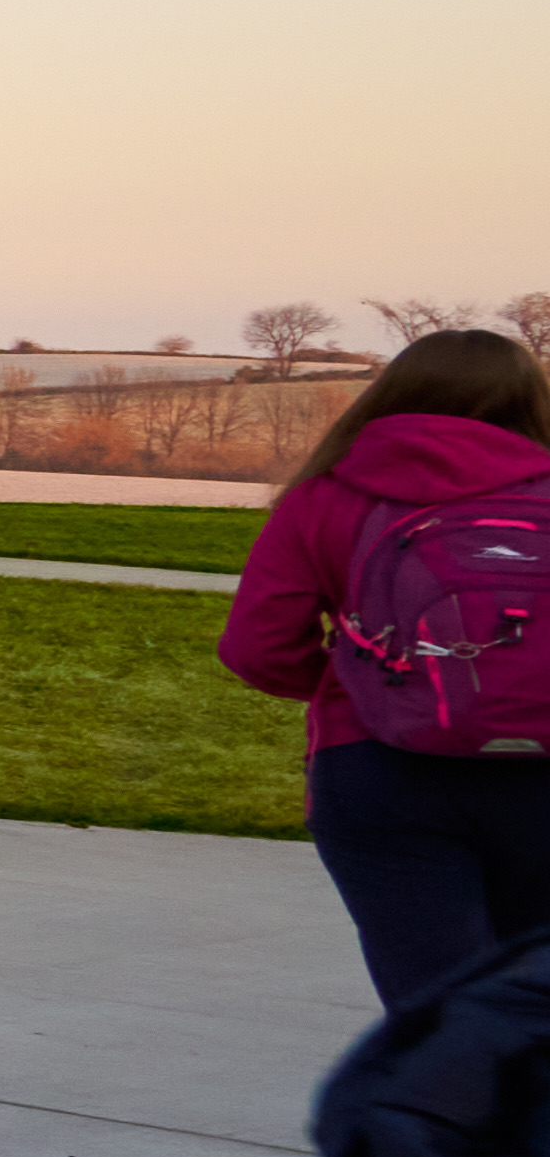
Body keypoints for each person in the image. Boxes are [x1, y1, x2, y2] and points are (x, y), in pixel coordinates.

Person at [222, 327, 550, 1009]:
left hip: (377, 767)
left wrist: (368, 685)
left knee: (436, 1012)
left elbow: (258, 646)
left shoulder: (327, 495)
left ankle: (451, 1111)